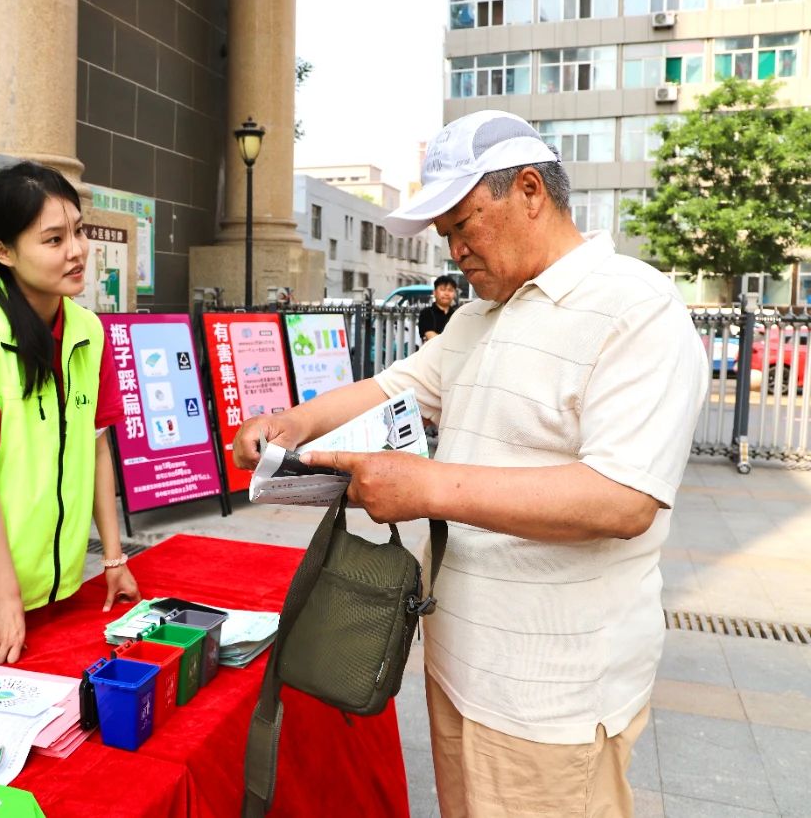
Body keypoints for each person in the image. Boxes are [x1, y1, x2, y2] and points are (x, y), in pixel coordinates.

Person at [233, 110, 708, 818]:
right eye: (446, 235)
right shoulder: (480, 315)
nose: (454, 250)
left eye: (462, 225)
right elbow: (395, 385)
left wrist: (425, 486)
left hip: (552, 699)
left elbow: (622, 498)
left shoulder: (635, 310)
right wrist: (291, 421)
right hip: (459, 670)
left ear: (527, 191)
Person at [0, 161, 140, 669]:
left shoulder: (88, 330)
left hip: (61, 587)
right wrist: (5, 596)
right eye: (54, 239)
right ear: (4, 252)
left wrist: (113, 559)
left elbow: (96, 445)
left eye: (78, 231)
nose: (77, 250)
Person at [417, 274, 459, 342]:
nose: (446, 293)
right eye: (442, 289)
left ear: (454, 293)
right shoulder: (426, 313)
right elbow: (431, 337)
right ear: (434, 292)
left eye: (450, 290)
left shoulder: (457, 314)